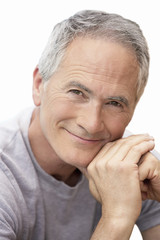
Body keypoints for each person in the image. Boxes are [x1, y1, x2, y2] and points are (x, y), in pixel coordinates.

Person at [0, 10, 160, 240]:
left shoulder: (133, 166)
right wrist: (117, 218)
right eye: (77, 92)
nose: (92, 124)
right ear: (38, 86)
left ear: (133, 109)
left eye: (114, 103)